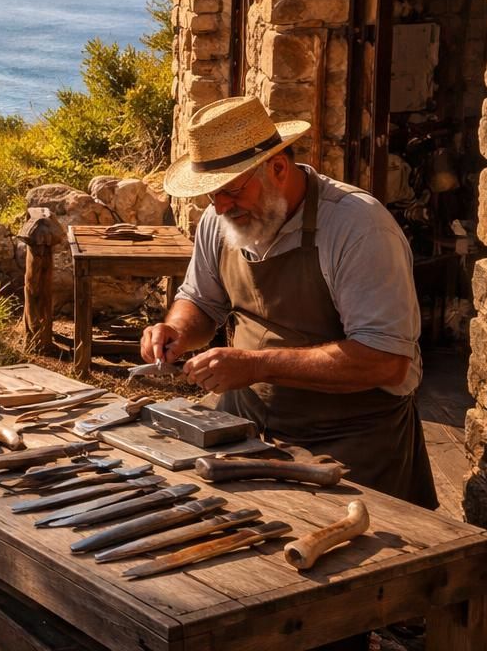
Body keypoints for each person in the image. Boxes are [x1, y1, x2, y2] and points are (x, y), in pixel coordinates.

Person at [141, 95, 437, 507]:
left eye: (230, 191)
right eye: (211, 196)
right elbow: (201, 300)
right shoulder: (221, 218)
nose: (221, 207)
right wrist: (176, 329)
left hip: (352, 436)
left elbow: (385, 360)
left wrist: (258, 365)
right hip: (243, 421)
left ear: (278, 168)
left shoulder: (359, 229)